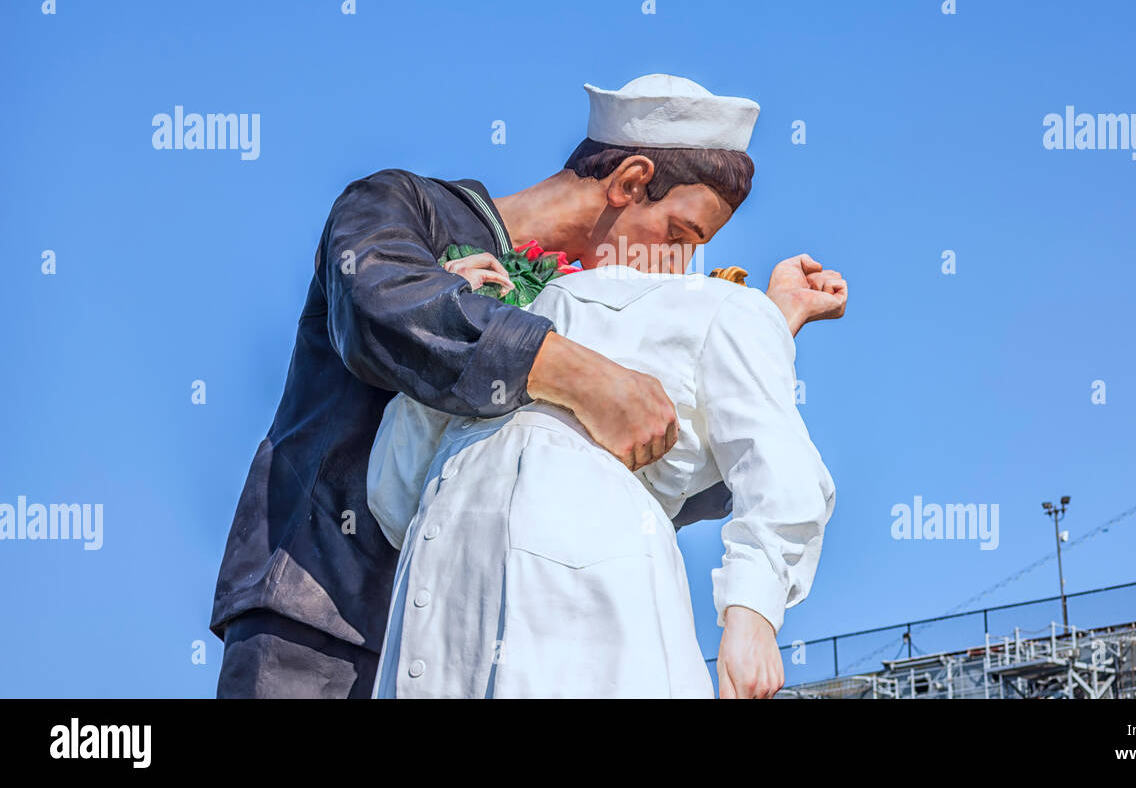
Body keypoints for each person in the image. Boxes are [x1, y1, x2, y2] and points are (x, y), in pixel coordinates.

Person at [210, 73, 848, 697]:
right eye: (680, 238)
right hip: (322, 608)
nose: (679, 269)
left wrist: (760, 331)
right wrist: (584, 376)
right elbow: (387, 312)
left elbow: (661, 474)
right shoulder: (402, 208)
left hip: (502, 627)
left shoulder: (592, 303)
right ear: (631, 182)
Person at [367, 260, 841, 698]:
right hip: (436, 615)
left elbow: (778, 462)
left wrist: (753, 610)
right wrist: (447, 331)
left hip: (588, 614)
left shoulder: (715, 306)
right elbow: (393, 503)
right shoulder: (482, 346)